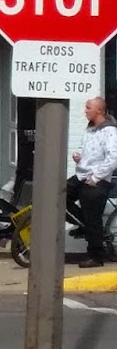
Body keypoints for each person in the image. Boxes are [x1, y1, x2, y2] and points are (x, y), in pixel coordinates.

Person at [69, 97, 117, 267]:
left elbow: (113, 158)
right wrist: (79, 157)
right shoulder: (90, 129)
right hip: (82, 176)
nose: (85, 111)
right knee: (59, 196)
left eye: (88, 108)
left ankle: (96, 256)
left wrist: (96, 177)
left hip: (97, 181)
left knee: (93, 218)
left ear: (99, 111)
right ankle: (84, 225)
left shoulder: (110, 131)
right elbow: (87, 151)